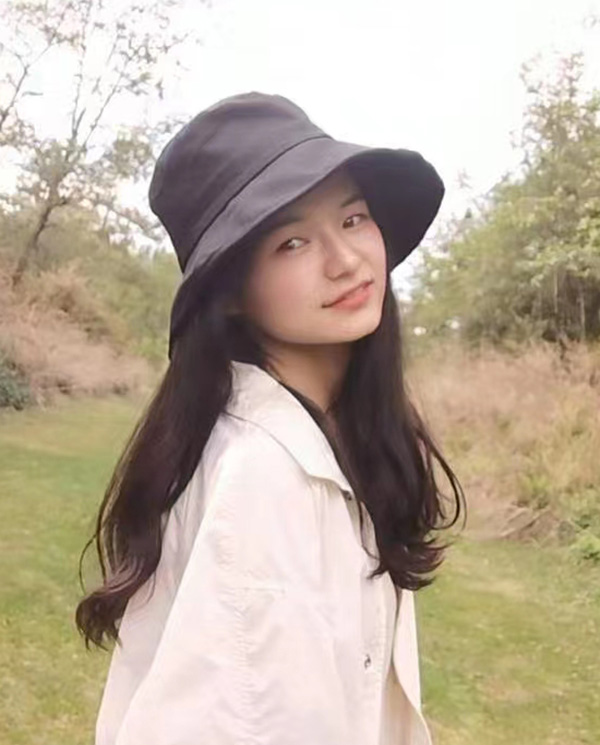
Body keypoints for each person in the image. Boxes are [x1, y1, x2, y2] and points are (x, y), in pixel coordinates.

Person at [75, 91, 466, 745]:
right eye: (292, 242)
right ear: (231, 294)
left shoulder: (324, 441)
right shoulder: (265, 474)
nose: (346, 260)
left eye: (353, 218)